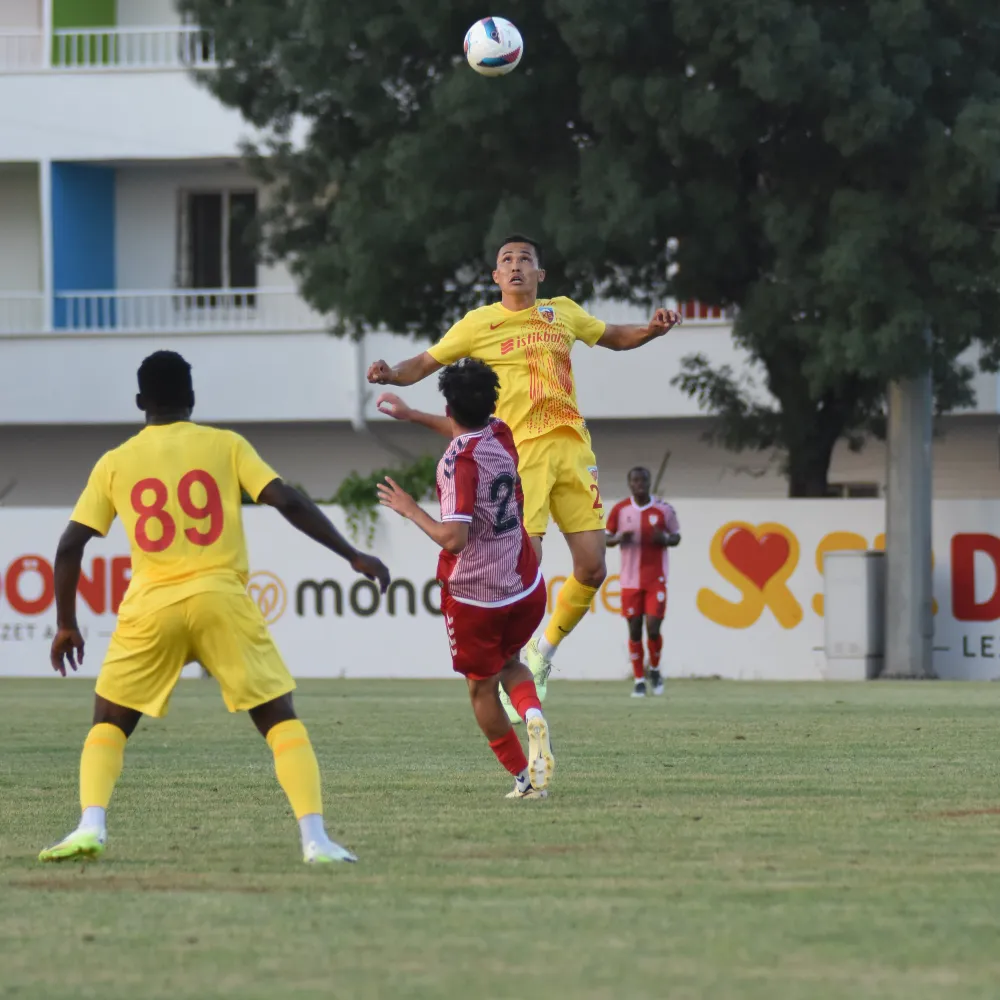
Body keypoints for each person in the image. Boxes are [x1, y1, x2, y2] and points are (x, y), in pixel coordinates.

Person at [39, 350, 390, 865]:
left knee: (109, 722)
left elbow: (69, 547)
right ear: (192, 399)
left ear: (140, 402)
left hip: (151, 604)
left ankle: (90, 825)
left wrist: (67, 624)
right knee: (278, 718)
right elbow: (288, 501)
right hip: (221, 599)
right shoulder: (225, 445)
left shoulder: (114, 462)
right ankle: (315, 840)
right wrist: (353, 553)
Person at [368, 234, 680, 720]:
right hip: (519, 455)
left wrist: (652, 331)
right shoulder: (479, 324)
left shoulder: (563, 312)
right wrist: (391, 373)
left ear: (541, 274)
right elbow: (427, 362)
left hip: (574, 446)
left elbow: (613, 335)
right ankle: (511, 670)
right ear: (496, 277)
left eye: (525, 260)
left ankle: (543, 655)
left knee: (593, 568)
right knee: (523, 566)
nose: (515, 266)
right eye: (506, 261)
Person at [376, 359, 554, 799]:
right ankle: (531, 712)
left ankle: (525, 781)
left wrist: (409, 508)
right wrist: (412, 414)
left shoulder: (456, 464)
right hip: (524, 585)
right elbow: (464, 427)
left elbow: (453, 538)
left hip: (476, 597)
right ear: (491, 403)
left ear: (449, 405)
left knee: (481, 689)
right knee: (511, 661)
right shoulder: (501, 433)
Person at [606, 467, 681, 697]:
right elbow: (606, 538)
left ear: (649, 483)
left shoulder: (663, 509)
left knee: (653, 627)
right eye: (635, 480)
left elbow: (676, 535)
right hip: (629, 580)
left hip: (655, 578)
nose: (639, 484)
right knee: (635, 629)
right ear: (630, 484)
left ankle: (655, 670)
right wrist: (619, 538)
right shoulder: (620, 509)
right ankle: (639, 679)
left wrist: (665, 539)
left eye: (643, 480)